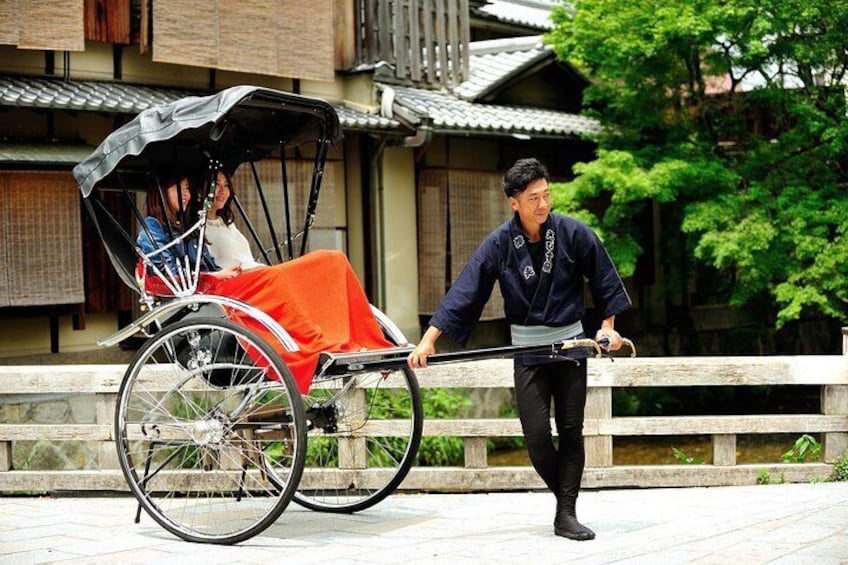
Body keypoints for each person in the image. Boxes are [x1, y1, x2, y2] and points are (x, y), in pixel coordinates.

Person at [407, 157, 631, 541]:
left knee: (572, 431)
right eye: (533, 198)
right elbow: (467, 290)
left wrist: (607, 328)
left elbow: (604, 278)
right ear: (514, 202)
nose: (543, 205)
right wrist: (428, 340)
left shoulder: (574, 233)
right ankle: (565, 498)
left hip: (572, 345)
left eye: (546, 195)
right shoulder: (498, 244)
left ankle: (566, 513)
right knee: (536, 436)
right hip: (528, 351)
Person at [136, 169, 392, 394]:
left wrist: (220, 274)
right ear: (159, 192)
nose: (186, 194)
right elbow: (167, 278)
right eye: (178, 188)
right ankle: (315, 346)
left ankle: (357, 337)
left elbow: (211, 266)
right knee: (274, 278)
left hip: (227, 284)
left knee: (331, 260)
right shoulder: (154, 229)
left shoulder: (187, 227)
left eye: (188, 188)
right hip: (209, 296)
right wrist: (213, 277)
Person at [202, 169, 264, 271]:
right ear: (201, 190)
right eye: (217, 184)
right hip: (233, 279)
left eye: (226, 185)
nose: (222, 190)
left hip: (255, 272)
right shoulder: (199, 228)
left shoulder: (227, 223)